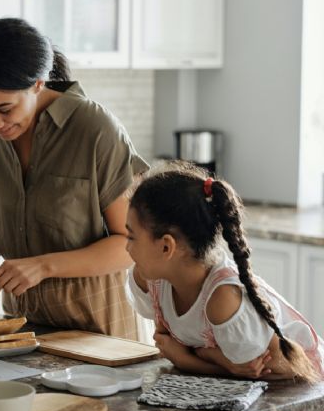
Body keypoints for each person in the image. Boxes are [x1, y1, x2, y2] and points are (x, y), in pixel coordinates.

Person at [0, 17, 149, 339]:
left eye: (5, 109)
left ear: (38, 83)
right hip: (20, 328)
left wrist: (42, 266)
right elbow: (6, 218)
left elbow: (131, 244)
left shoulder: (93, 128)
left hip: (98, 329)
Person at [125, 162, 322, 383]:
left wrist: (192, 358)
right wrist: (214, 360)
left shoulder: (223, 299)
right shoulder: (152, 279)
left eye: (131, 237)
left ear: (166, 247)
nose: (126, 247)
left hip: (301, 391)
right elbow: (170, 346)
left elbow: (276, 370)